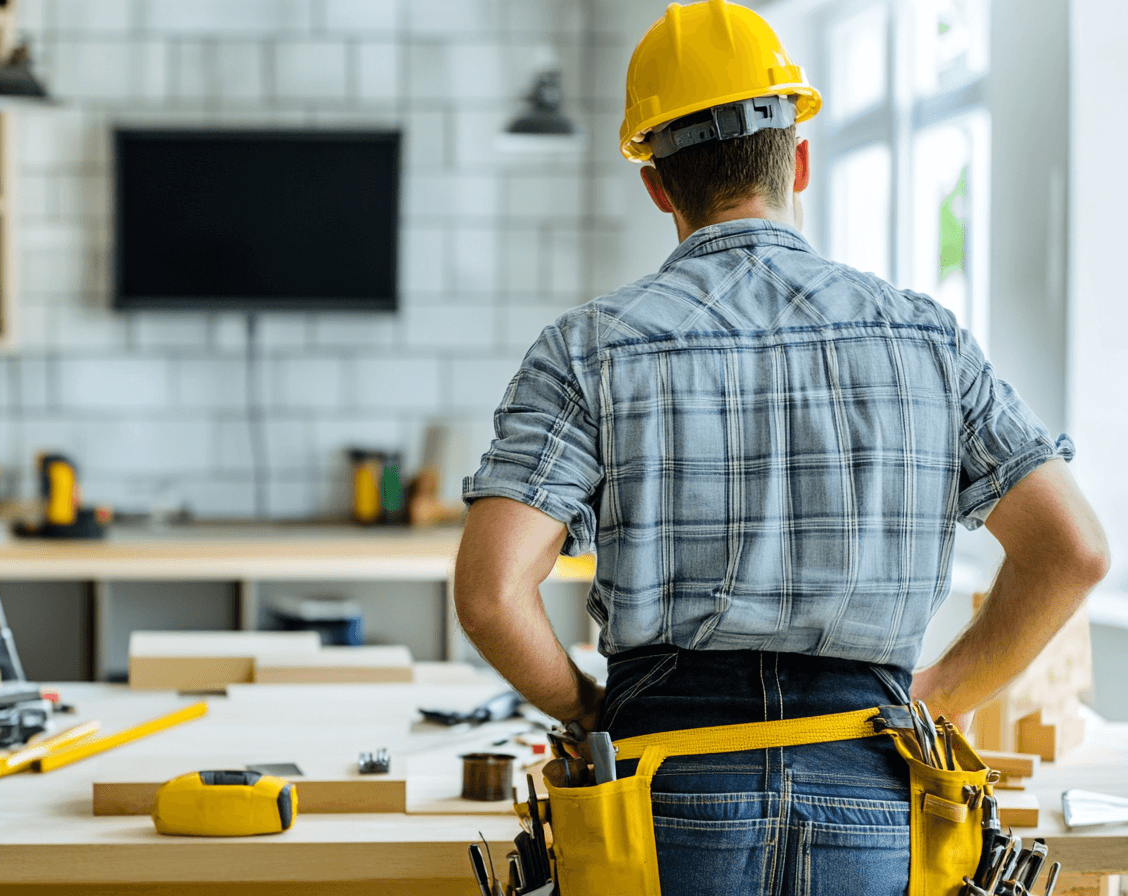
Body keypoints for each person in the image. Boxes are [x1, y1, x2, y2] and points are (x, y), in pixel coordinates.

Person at [454, 2, 1110, 893]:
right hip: (875, 796)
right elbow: (1074, 550)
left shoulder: (588, 348)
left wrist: (587, 710)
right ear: (799, 157)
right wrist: (936, 698)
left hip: (660, 791)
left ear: (657, 183)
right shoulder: (927, 340)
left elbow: (493, 592)